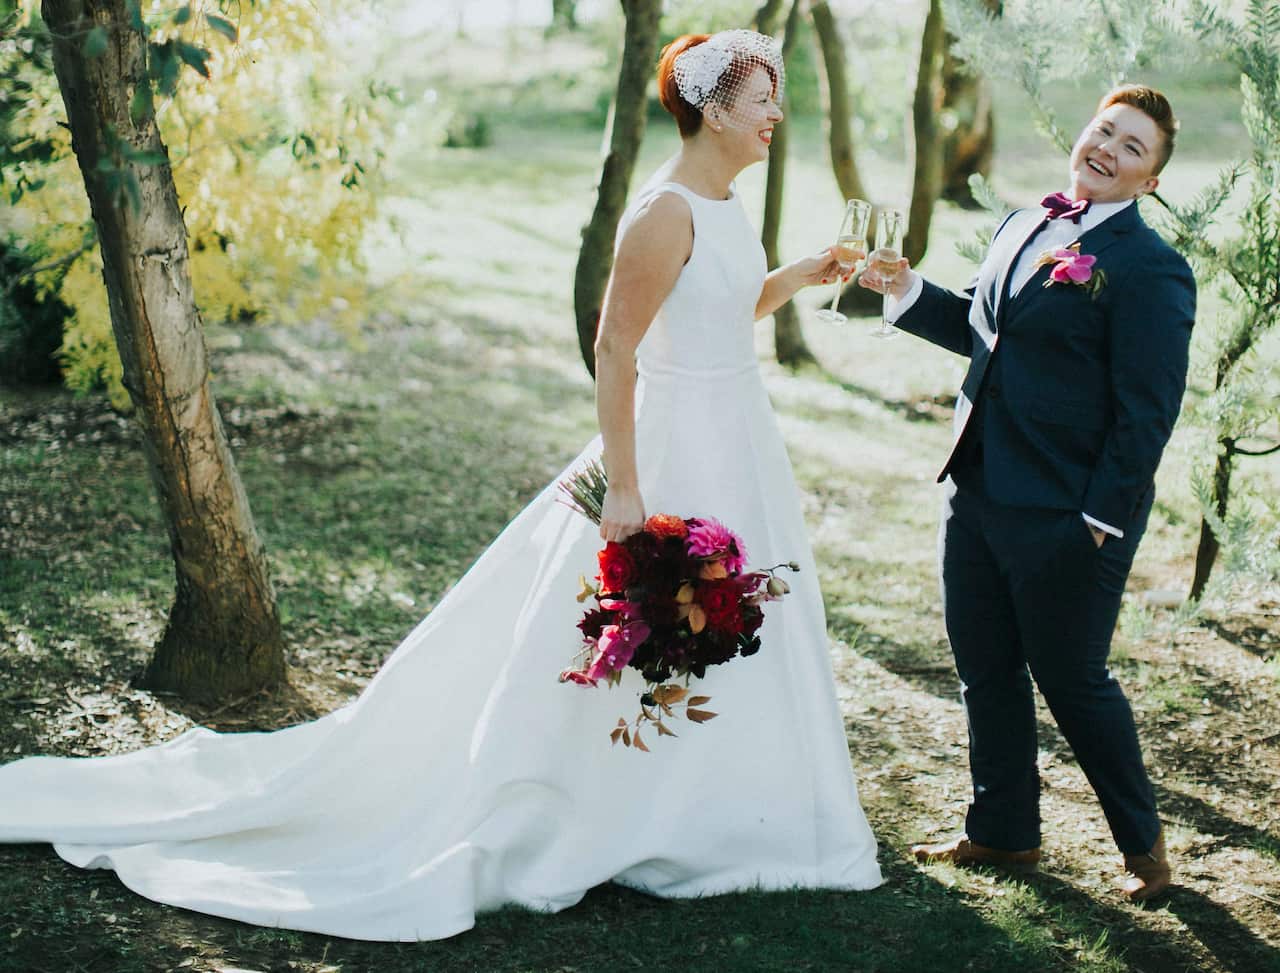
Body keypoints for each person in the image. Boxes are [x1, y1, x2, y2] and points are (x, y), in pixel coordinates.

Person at [0, 30, 881, 942]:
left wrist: (801, 276)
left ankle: (722, 809)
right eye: (760, 97)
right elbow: (618, 345)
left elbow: (718, 313)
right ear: (709, 109)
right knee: (637, 629)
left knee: (735, 624)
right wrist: (625, 486)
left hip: (738, 438)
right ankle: (615, 807)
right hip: (669, 448)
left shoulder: (726, 204)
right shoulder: (664, 210)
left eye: (776, 94)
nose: (776, 112)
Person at [859, 84, 1194, 901]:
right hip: (975, 489)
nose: (1108, 149)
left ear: (1148, 182)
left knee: (1073, 679)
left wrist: (1096, 522)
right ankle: (1003, 833)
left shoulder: (1153, 271)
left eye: (1133, 147)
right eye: (1104, 131)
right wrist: (903, 290)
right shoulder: (1022, 225)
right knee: (986, 670)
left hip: (1068, 516)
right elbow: (985, 328)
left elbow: (1146, 415)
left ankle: (1145, 849)